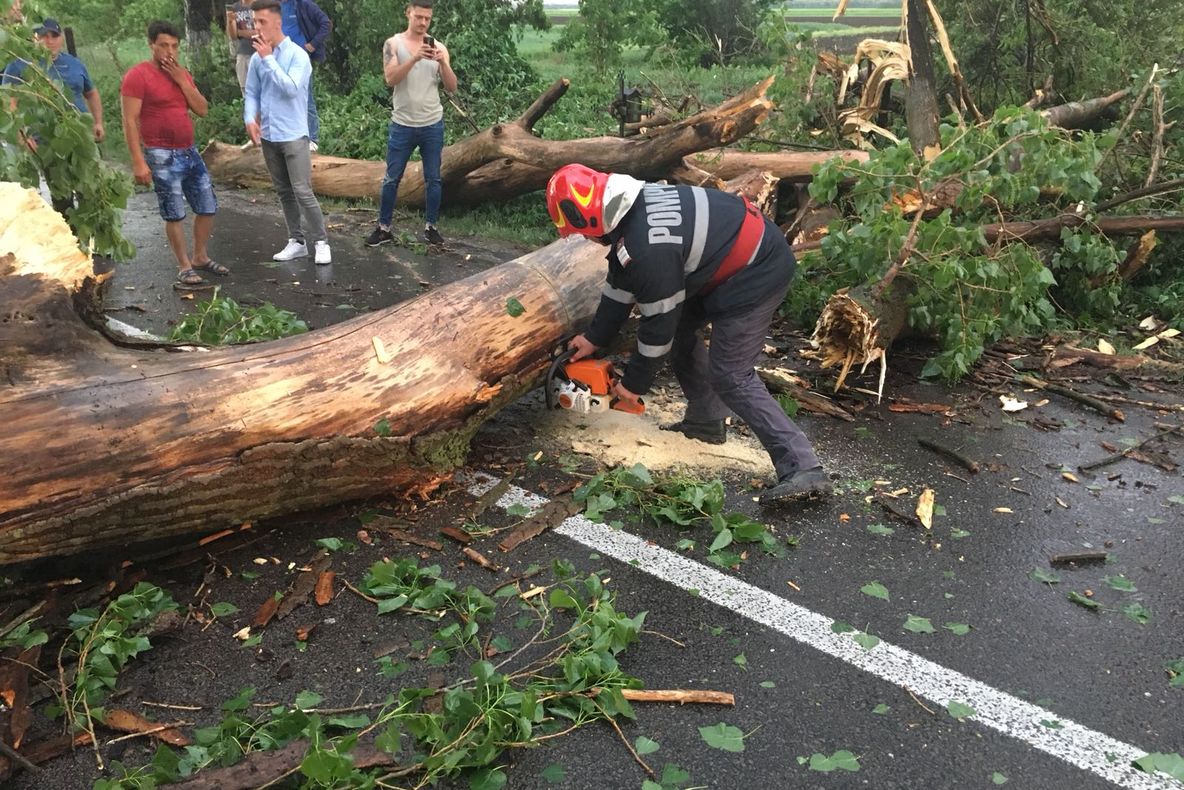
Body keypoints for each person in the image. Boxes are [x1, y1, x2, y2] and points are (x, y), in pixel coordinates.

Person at [546, 164, 832, 505]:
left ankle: (803, 467)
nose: (584, 238)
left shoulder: (648, 247)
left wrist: (633, 385)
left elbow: (658, 328)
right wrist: (594, 337)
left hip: (757, 270)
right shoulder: (634, 211)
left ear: (587, 216)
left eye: (580, 231)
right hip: (720, 265)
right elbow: (620, 284)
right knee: (682, 332)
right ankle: (706, 422)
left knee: (731, 374)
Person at [120, 21, 225, 288]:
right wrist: (138, 161)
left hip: (188, 150)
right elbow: (129, 120)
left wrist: (181, 81)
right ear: (151, 45)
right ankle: (184, 265)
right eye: (163, 45)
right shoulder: (138, 75)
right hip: (160, 152)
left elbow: (202, 109)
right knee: (174, 212)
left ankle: (200, 256)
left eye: (174, 46)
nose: (169, 51)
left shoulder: (182, 74)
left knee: (207, 206)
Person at [364, 0, 456, 248]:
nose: (423, 22)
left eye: (427, 18)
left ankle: (431, 227)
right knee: (392, 178)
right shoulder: (393, 44)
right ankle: (384, 228)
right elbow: (390, 79)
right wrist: (415, 58)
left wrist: (443, 63)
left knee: (433, 179)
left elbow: (452, 87)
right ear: (408, 14)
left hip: (432, 123)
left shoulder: (439, 47)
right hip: (402, 123)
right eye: (419, 17)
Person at [245, 0, 331, 265]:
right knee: (283, 191)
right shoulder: (257, 59)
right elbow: (252, 92)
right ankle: (297, 241)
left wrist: (269, 60)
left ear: (277, 23)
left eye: (262, 22)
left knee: (302, 191)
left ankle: (321, 242)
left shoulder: (297, 55)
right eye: (254, 22)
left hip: (294, 135)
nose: (257, 28)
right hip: (269, 135)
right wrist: (249, 118)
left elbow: (291, 89)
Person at [2, 18, 105, 214]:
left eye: (54, 36)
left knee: (91, 194)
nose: (49, 41)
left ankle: (91, 230)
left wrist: (98, 122)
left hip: (81, 138)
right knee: (62, 198)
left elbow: (91, 92)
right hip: (48, 142)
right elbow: (9, 101)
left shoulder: (75, 64)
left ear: (61, 39)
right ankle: (68, 231)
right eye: (44, 36)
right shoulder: (21, 65)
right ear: (35, 38)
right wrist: (21, 135)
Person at [278, 0, 330, 151]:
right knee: (282, 98)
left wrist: (313, 44)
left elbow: (325, 23)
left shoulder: (303, 4)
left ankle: (312, 138)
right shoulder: (273, 6)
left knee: (306, 97)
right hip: (279, 56)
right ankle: (289, 136)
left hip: (300, 58)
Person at [226, 0, 256, 93]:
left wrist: (240, 32)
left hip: (259, 52)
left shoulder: (260, 4)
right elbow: (232, 36)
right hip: (242, 53)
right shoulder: (234, 7)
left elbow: (260, 32)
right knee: (245, 90)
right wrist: (230, 21)